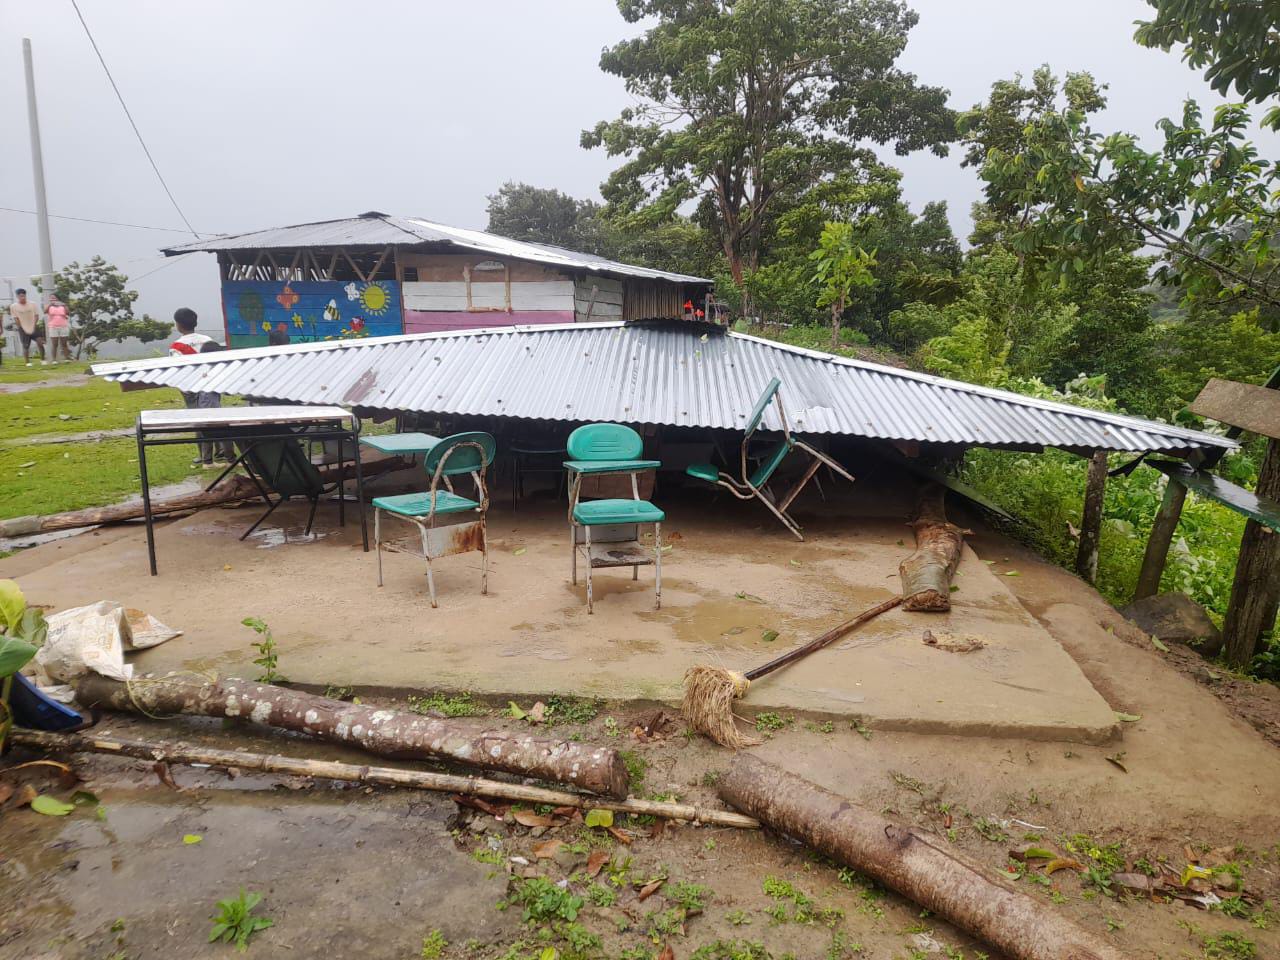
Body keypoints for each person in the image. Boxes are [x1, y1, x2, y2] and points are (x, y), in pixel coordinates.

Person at [170, 307, 217, 467]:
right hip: (210, 384)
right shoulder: (207, 339)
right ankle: (220, 452)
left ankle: (204, 457)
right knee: (215, 418)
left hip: (191, 387)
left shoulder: (176, 346)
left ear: (178, 325)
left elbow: (178, 370)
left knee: (199, 422)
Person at [196, 341, 235, 466]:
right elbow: (221, 386)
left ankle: (207, 462)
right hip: (210, 403)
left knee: (207, 432)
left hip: (204, 402)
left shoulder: (202, 367)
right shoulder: (211, 369)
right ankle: (231, 460)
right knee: (224, 430)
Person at [8, 288, 45, 366]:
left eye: (24, 296)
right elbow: (16, 318)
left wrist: (34, 325)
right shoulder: (13, 306)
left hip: (34, 326)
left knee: (40, 342)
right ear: (17, 296)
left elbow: (36, 316)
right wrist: (21, 327)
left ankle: (43, 360)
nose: (23, 298)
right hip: (22, 328)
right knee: (25, 346)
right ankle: (27, 362)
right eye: (20, 296)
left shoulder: (33, 304)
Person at [45, 294, 71, 363]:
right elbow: (45, 311)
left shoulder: (62, 306)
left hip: (63, 326)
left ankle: (67, 358)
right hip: (53, 326)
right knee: (54, 344)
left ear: (57, 298)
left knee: (64, 343)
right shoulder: (49, 306)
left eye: (54, 298)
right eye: (51, 298)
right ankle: (54, 359)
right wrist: (50, 304)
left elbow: (68, 313)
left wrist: (64, 305)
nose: (53, 299)